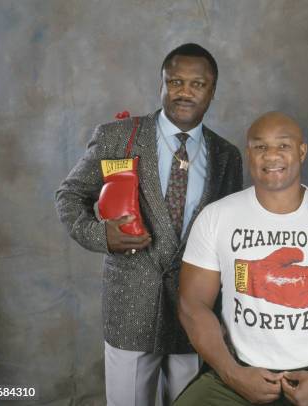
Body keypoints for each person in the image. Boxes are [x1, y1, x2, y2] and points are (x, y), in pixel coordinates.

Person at [55, 43, 242, 405]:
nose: (184, 92)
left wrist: (230, 310)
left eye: (197, 84)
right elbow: (69, 195)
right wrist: (102, 235)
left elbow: (232, 238)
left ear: (213, 90)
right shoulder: (118, 136)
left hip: (195, 314)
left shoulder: (226, 156)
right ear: (161, 84)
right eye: (175, 81)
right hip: (130, 310)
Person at [175, 112, 308, 405]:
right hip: (239, 373)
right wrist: (233, 374)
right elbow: (192, 304)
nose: (271, 156)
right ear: (249, 153)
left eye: (283, 146)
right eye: (260, 147)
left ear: (302, 151)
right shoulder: (217, 217)